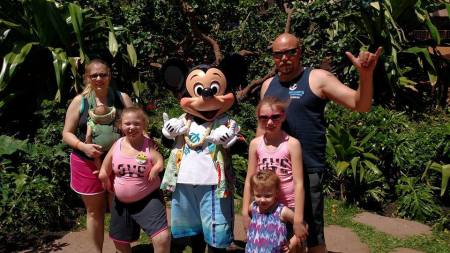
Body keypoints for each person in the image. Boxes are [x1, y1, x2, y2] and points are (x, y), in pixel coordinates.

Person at [259, 33, 382, 253]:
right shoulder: (268, 84)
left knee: (313, 235)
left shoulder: (317, 78)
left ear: (300, 52)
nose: (284, 58)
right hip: (274, 172)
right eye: (278, 54)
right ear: (273, 57)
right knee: (276, 231)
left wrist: (365, 75)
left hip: (307, 169)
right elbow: (262, 129)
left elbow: (360, 104)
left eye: (290, 52)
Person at [62, 58, 133, 252]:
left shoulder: (122, 98)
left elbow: (137, 125)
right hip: (86, 163)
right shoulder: (80, 102)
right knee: (94, 211)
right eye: (94, 75)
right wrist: (83, 146)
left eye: (103, 74)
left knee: (119, 209)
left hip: (118, 163)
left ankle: (122, 250)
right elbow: (66, 133)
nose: (99, 78)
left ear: (109, 76)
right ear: (87, 78)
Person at [98, 106, 171, 253]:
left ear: (143, 125)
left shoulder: (148, 144)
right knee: (119, 241)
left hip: (148, 199)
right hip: (121, 203)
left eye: (136, 124)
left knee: (162, 237)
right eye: (127, 124)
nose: (132, 127)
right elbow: (104, 168)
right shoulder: (117, 145)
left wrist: (156, 169)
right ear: (121, 125)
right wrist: (104, 176)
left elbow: (160, 161)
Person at [242, 96, 308, 252]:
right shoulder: (255, 144)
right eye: (264, 118)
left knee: (291, 248)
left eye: (275, 117)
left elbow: (299, 183)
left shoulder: (292, 144)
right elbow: (248, 181)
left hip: (288, 207)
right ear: (258, 119)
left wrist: (298, 219)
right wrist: (245, 212)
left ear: (283, 116)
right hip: (263, 207)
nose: (269, 122)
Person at [245, 170, 301, 253]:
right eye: (258, 195)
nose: (262, 200)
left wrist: (292, 242)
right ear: (253, 193)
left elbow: (302, 225)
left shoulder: (281, 211)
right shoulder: (253, 207)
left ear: (276, 193)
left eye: (268, 196)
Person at [86, 104, 119, 173]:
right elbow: (119, 129)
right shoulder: (113, 120)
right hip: (114, 144)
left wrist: (88, 143)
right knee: (115, 156)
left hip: (99, 145)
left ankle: (100, 169)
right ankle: (115, 168)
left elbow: (88, 135)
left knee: (97, 156)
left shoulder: (92, 123)